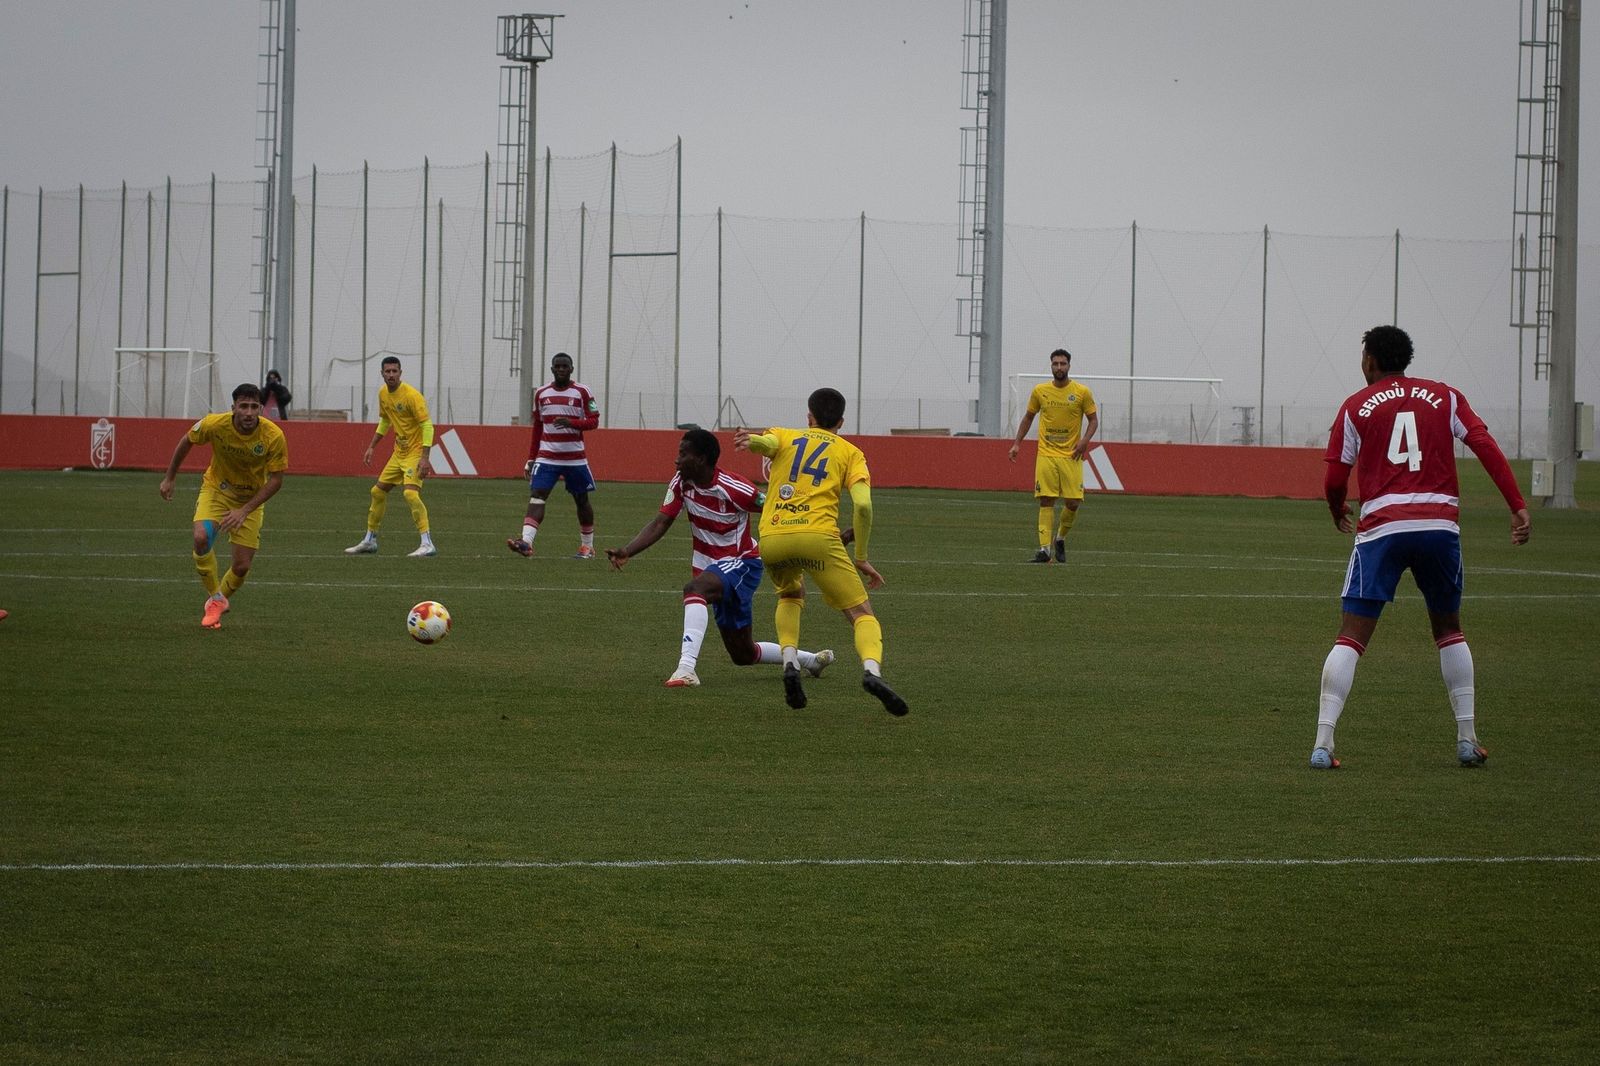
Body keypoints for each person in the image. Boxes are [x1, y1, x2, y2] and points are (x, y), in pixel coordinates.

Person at [1310, 325, 1530, 771]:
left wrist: (1336, 507)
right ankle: (1467, 739)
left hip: (1383, 529)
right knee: (1449, 629)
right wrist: (1517, 505)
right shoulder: (1445, 396)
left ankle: (1322, 744)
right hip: (1438, 528)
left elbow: (1335, 477)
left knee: (1351, 636)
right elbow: (1483, 444)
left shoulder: (1356, 405)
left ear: (1371, 360)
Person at [606, 428, 836, 688]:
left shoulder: (734, 487)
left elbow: (776, 508)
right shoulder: (681, 482)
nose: (677, 460)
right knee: (743, 654)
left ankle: (686, 669)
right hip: (712, 569)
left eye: (683, 454)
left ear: (701, 459)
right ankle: (810, 661)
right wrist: (627, 551)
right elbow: (661, 522)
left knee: (694, 590)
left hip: (742, 564)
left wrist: (807, 537)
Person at [735, 388, 908, 716]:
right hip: (818, 539)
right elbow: (864, 506)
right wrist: (861, 557)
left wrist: (753, 440)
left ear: (809, 417)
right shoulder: (851, 453)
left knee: (790, 596)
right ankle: (872, 672)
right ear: (841, 421)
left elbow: (766, 444)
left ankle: (790, 663)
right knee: (861, 614)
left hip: (773, 538)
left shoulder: (784, 435)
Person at [158, 382, 288, 630]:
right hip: (217, 490)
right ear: (233, 408)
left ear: (261, 409)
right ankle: (216, 597)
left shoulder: (273, 436)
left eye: (254, 407)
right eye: (243, 406)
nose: (249, 413)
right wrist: (170, 477)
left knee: (241, 566)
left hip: (250, 500)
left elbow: (276, 481)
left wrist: (245, 510)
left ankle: (216, 602)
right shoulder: (215, 424)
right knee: (201, 537)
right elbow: (187, 440)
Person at [1009, 348, 1099, 563]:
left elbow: (1093, 420)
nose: (1059, 367)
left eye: (1063, 364)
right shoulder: (1040, 391)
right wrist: (1017, 443)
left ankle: (1060, 538)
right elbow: (1028, 417)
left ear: (1069, 366)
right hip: (1046, 454)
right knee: (1046, 500)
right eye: (1055, 364)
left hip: (1071, 455)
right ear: (1051, 366)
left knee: (1073, 502)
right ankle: (1044, 550)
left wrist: (1084, 441)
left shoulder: (1082, 392)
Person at [508, 352, 601, 560]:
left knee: (581, 500)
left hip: (575, 459)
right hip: (547, 457)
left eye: (565, 366)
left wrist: (572, 423)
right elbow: (538, 427)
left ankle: (587, 547)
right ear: (552, 369)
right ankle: (526, 542)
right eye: (557, 366)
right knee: (537, 495)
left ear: (571, 369)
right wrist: (531, 458)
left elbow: (594, 421)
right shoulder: (541, 393)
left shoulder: (582, 392)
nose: (561, 369)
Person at [344, 356, 437, 557]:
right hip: (398, 453)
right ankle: (370, 540)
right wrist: (372, 446)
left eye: (395, 371)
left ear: (400, 373)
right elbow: (385, 421)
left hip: (415, 452)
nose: (391, 375)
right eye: (388, 371)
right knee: (377, 492)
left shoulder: (412, 396)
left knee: (410, 494)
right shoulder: (383, 394)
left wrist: (424, 457)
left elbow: (427, 426)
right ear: (382, 374)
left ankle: (427, 543)